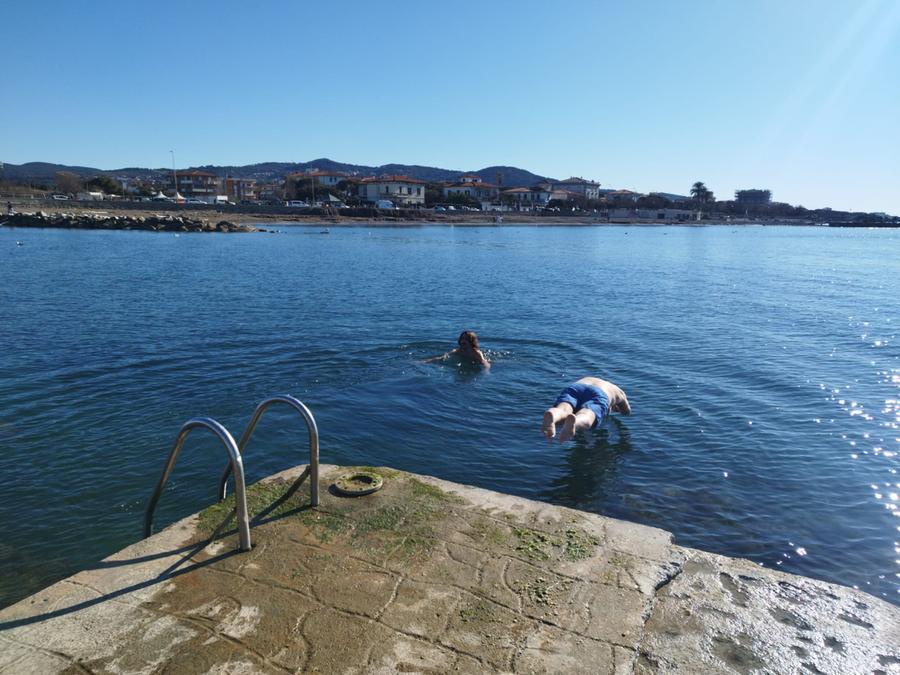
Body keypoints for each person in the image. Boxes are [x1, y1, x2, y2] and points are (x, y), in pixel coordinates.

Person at [542, 376, 630, 442]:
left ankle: (553, 414)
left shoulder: (591, 378)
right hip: (599, 393)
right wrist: (616, 408)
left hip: (577, 387)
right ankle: (575, 423)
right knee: (588, 414)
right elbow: (626, 411)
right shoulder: (620, 392)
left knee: (564, 409)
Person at [424, 330, 490, 368]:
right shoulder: (458, 351)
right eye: (462, 339)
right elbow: (441, 358)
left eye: (466, 339)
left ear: (472, 342)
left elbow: (485, 363)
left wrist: (486, 371)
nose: (463, 341)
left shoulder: (476, 353)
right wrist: (426, 362)